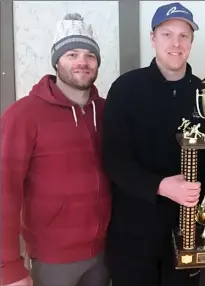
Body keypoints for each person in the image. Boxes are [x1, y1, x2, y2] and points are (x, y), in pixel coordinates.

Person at [101, 2, 205, 285]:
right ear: (153, 39)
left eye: (184, 35)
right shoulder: (126, 88)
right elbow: (114, 160)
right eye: (167, 34)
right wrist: (160, 186)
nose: (176, 43)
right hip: (133, 234)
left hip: (187, 232)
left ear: (191, 42)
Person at [1, 13, 111, 286]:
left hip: (104, 255)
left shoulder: (109, 111)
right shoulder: (23, 115)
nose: (82, 62)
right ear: (57, 61)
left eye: (90, 55)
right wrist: (8, 266)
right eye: (72, 54)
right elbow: (5, 190)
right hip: (51, 261)